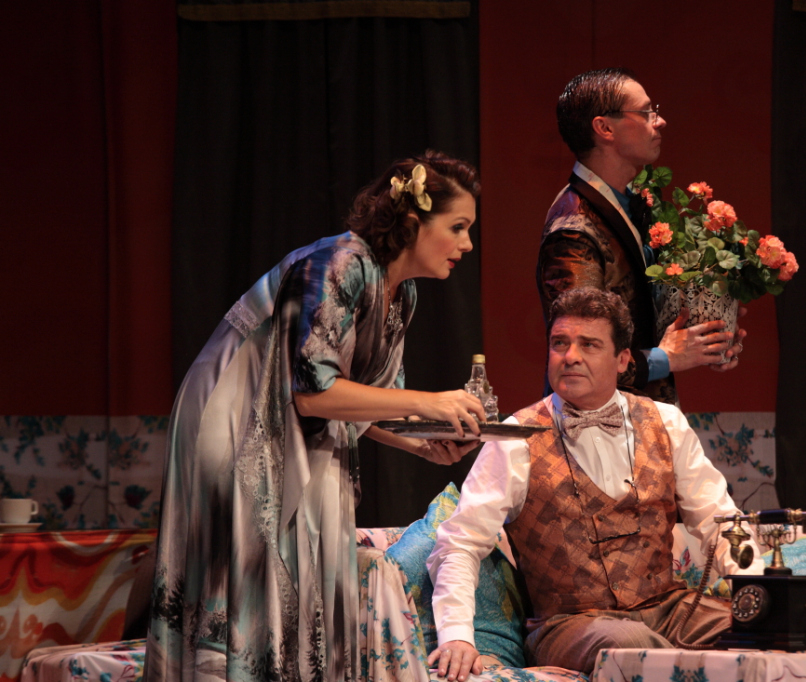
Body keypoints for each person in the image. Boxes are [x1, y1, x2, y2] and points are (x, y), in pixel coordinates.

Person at [146, 151, 486, 682]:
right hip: (235, 421)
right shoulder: (339, 263)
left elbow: (369, 401)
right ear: (413, 223)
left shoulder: (403, 294)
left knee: (302, 584)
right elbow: (313, 390)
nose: (467, 244)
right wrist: (429, 403)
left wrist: (422, 443)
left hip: (299, 429)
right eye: (458, 227)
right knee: (245, 579)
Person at [426, 287, 761, 680]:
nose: (570, 356)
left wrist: (759, 594)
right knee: (631, 644)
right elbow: (461, 542)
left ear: (622, 360)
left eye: (589, 344)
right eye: (560, 343)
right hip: (571, 625)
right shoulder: (516, 437)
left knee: (765, 632)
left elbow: (720, 521)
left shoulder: (666, 422)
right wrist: (456, 636)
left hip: (671, 611)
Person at [538, 68, 747, 405]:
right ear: (605, 128)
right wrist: (667, 357)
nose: (660, 121)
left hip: (638, 414)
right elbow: (580, 357)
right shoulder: (573, 229)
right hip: (593, 423)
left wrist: (707, 331)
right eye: (646, 112)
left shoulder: (632, 204)